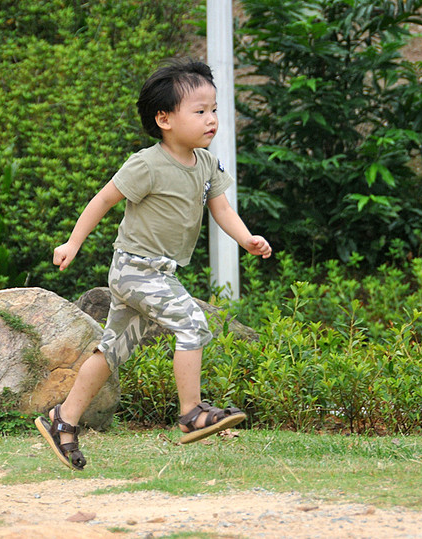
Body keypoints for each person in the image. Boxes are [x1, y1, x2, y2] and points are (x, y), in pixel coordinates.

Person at [35, 57, 272, 471]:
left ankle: (62, 419)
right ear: (164, 118)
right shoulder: (147, 163)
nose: (211, 119)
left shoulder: (206, 165)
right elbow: (103, 200)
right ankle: (192, 412)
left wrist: (246, 237)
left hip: (160, 273)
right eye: (199, 111)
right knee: (192, 324)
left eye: (213, 109)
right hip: (133, 270)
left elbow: (222, 210)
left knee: (112, 352)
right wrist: (73, 242)